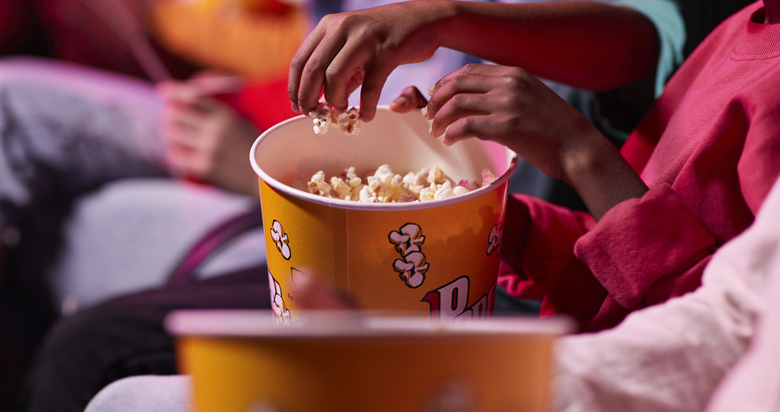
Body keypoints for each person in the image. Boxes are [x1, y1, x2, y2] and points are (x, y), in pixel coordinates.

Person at [11, 0, 759, 410]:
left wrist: (572, 155)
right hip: (411, 224)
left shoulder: (736, 58)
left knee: (103, 367)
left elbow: (703, 325)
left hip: (500, 322)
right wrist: (500, 224)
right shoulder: (745, 27)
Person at [288, 0, 780, 332]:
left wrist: (579, 151)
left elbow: (732, 335)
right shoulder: (742, 26)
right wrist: (480, 215)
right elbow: (625, 246)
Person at [78, 172, 780, 412]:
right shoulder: (728, 36)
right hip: (568, 348)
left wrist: (572, 154)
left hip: (542, 319)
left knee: (105, 359)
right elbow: (727, 320)